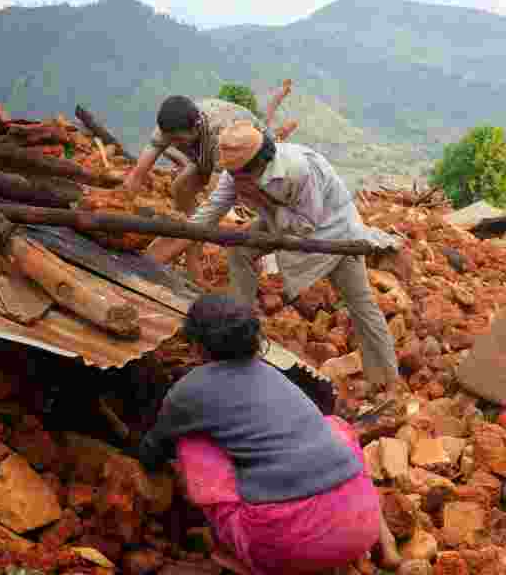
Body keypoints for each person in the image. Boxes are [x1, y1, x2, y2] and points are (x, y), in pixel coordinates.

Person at [137, 294, 401, 575]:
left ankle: (240, 556)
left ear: (197, 345)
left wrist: (141, 457)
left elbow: (155, 447)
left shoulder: (188, 391)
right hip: (362, 521)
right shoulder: (273, 374)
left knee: (191, 442)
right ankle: (386, 541)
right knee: (335, 427)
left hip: (286, 545)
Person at [146, 120, 404, 400]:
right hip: (279, 221)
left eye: (239, 176)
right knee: (239, 250)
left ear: (257, 167)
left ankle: (388, 381)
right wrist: (160, 254)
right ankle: (237, 336)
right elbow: (209, 213)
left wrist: (264, 201)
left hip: (334, 232)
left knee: (361, 304)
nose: (233, 180)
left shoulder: (297, 170)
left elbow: (306, 225)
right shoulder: (237, 173)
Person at [124, 96, 271, 283]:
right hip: (207, 157)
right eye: (171, 139)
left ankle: (202, 258)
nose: (174, 144)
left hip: (252, 162)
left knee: (205, 218)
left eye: (178, 140)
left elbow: (215, 201)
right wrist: (119, 207)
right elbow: (138, 174)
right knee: (180, 188)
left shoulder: (222, 136)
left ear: (196, 127)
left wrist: (177, 242)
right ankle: (191, 248)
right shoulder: (169, 128)